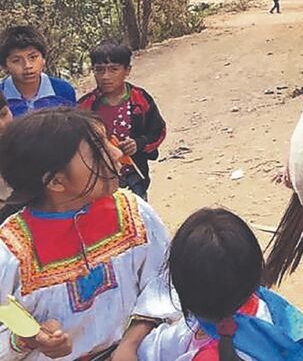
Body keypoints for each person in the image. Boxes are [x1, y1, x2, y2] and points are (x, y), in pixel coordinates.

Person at [0, 107, 176, 359]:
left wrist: (131, 342)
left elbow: (164, 283)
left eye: (108, 141)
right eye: (97, 152)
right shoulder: (10, 251)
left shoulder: (131, 211)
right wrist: (25, 339)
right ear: (56, 182)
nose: (116, 154)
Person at [138, 208, 303, 361]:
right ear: (254, 274)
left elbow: (156, 347)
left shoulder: (205, 349)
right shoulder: (269, 311)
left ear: (179, 289)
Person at [77, 40, 167, 200]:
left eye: (114, 70)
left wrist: (138, 143)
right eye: (100, 70)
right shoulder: (86, 106)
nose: (106, 76)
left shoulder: (140, 99)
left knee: (137, 215)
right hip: (98, 179)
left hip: (135, 175)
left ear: (127, 70)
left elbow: (158, 130)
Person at [0, 26, 76, 117]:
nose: (27, 66)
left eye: (33, 57)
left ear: (44, 59)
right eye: (16, 60)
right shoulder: (2, 94)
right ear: (4, 66)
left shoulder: (63, 90)